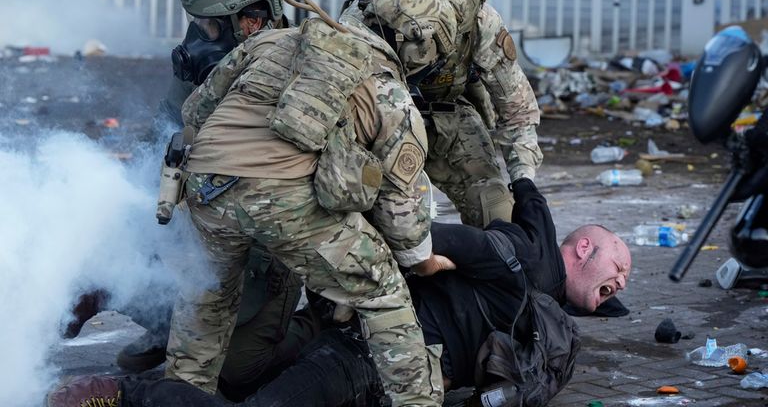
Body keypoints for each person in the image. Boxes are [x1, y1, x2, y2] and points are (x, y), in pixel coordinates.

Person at [48, 177, 632, 407]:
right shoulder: (510, 271)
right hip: (355, 350)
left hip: (346, 339)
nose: (622, 282)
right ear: (582, 249)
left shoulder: (543, 318)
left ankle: (133, 339)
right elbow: (426, 240)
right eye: (620, 266)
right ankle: (129, 388)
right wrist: (415, 263)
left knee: (236, 369)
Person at [164, 0, 457, 406]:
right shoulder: (392, 94)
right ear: (420, 46)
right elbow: (401, 211)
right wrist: (424, 261)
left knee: (208, 298)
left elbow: (196, 110)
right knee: (382, 292)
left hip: (206, 187)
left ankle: (176, 394)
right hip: (281, 200)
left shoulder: (277, 39)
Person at [60, 0, 308, 393]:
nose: (201, 36)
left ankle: (315, 325)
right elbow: (164, 131)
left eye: (211, 26)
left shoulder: (302, 67)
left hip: (267, 236)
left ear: (252, 19)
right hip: (203, 217)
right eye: (198, 23)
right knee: (117, 246)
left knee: (238, 375)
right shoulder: (206, 50)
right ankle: (168, 324)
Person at [341, 0, 542, 229]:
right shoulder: (370, 15)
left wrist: (524, 183)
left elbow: (517, 112)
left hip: (446, 115)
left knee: (495, 209)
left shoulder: (480, 24)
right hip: (379, 124)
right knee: (360, 213)